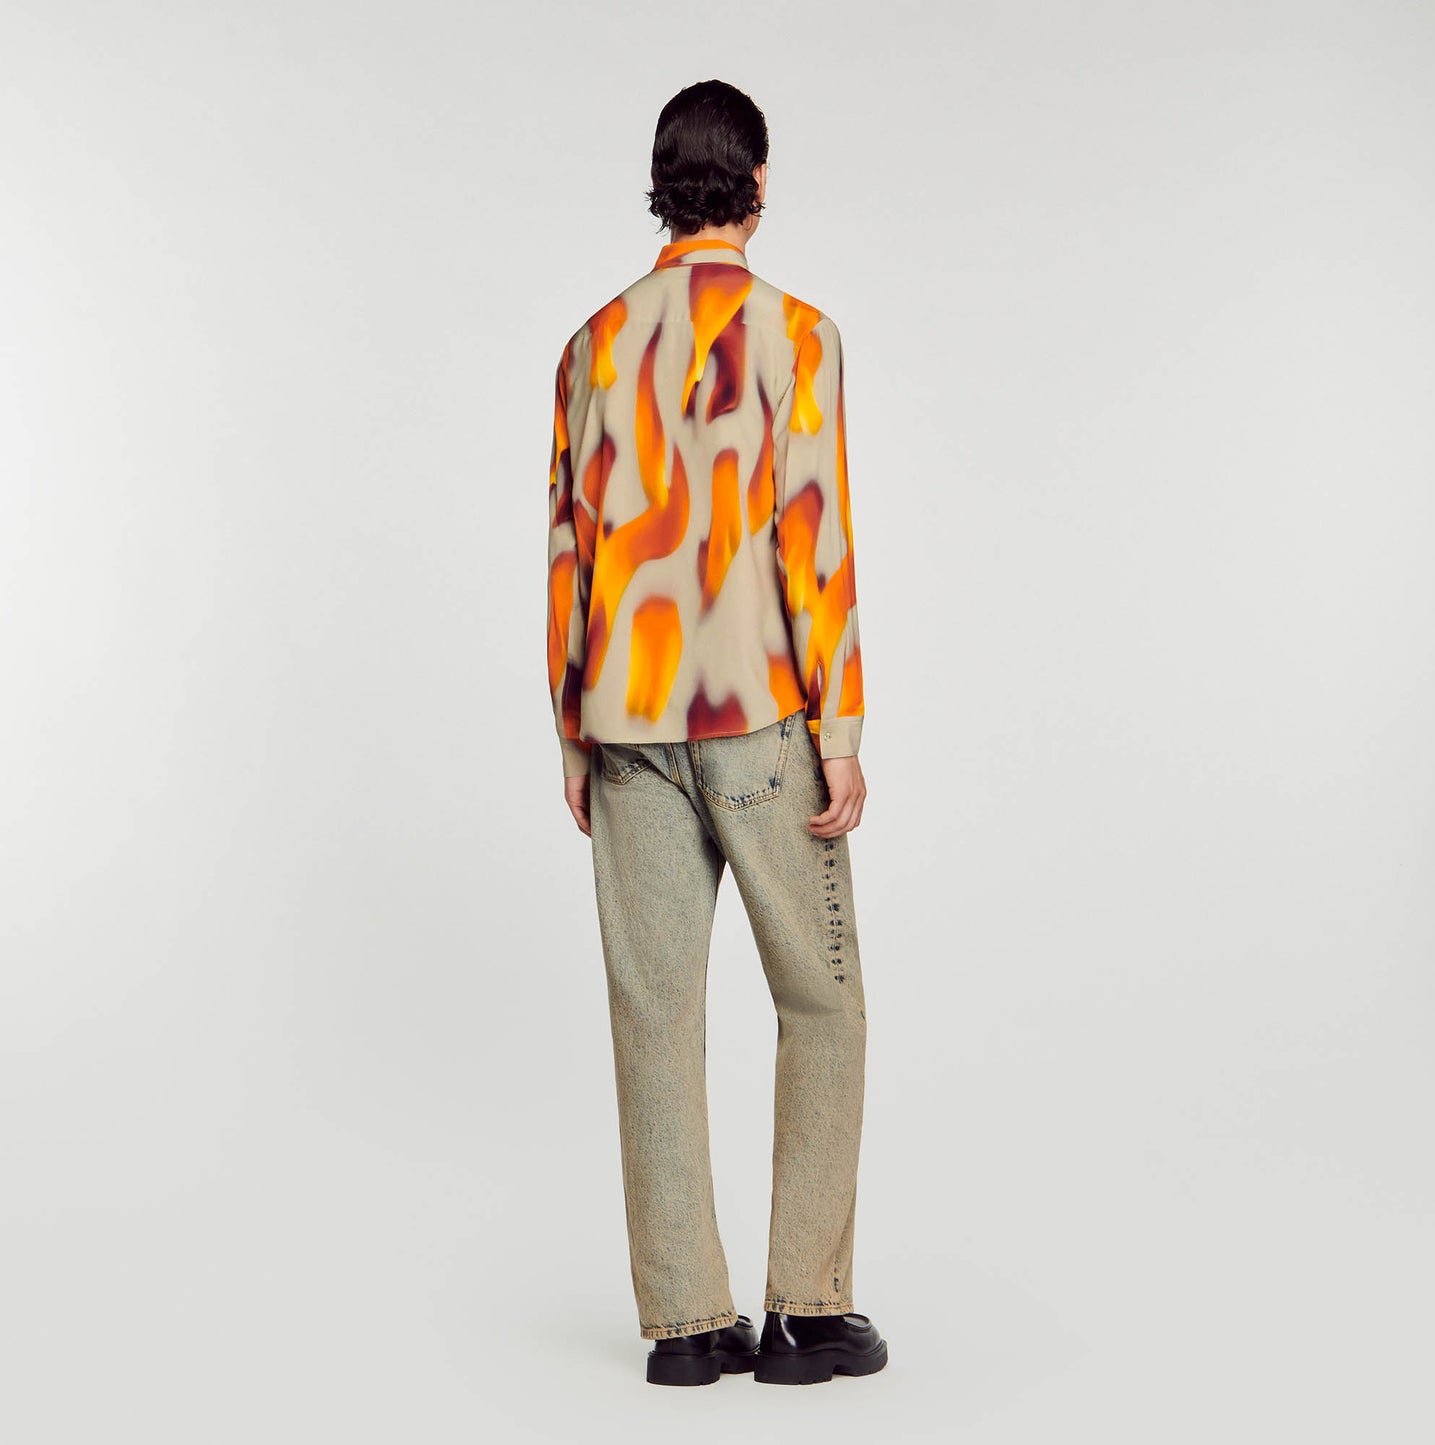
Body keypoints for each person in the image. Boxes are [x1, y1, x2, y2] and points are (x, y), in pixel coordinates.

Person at [544, 78, 887, 1388]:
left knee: (653, 1014)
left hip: (625, 724)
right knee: (824, 1001)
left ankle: (686, 1325)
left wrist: (572, 735)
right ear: (756, 184)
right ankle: (808, 1309)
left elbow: (570, 549)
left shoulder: (589, 346)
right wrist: (840, 725)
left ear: (659, 186)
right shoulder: (797, 334)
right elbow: (815, 539)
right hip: (760, 719)